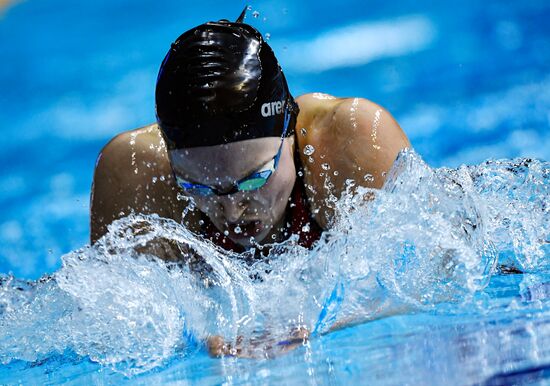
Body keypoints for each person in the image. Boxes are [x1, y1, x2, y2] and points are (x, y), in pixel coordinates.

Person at [90, 8, 411, 355]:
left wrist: (321, 323)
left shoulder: (351, 143)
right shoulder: (134, 173)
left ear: (289, 129)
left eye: (253, 178)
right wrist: (194, 339)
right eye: (198, 187)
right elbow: (114, 327)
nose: (230, 208)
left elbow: (425, 279)